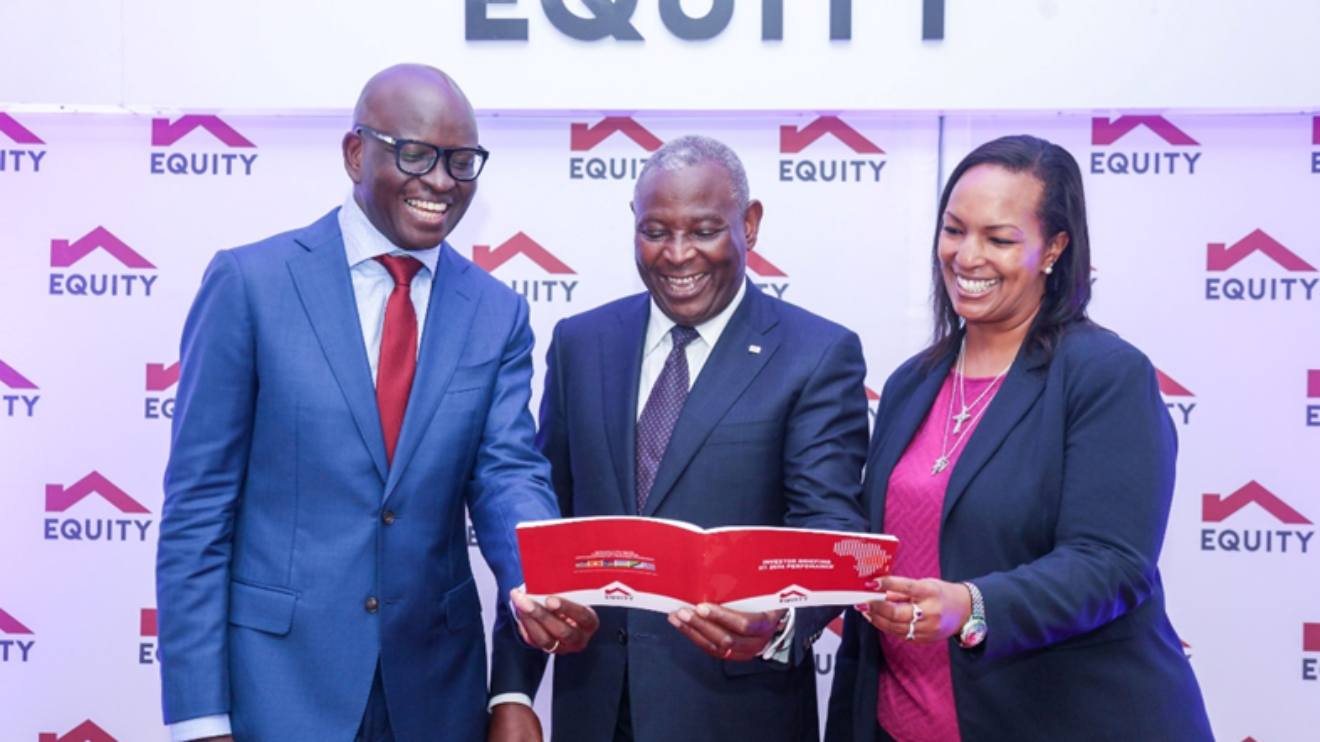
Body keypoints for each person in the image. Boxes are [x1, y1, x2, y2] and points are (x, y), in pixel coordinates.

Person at [155, 64, 596, 742]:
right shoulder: (252, 285)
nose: (443, 182)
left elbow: (509, 472)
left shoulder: (496, 312)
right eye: (416, 154)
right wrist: (198, 716)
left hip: (435, 691)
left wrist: (535, 579)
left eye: (462, 161)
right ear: (356, 153)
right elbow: (198, 511)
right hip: (276, 690)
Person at [824, 135, 1213, 741]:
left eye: (999, 239)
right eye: (954, 230)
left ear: (1054, 248)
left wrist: (970, 605)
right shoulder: (912, 382)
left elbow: (1110, 563)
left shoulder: (1105, 375)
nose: (966, 256)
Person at [488, 135, 870, 742]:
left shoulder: (817, 354)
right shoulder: (581, 343)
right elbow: (542, 529)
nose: (677, 254)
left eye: (704, 230)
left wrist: (779, 623)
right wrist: (511, 689)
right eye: (656, 231)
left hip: (738, 715)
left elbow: (829, 527)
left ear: (750, 224)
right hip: (591, 712)